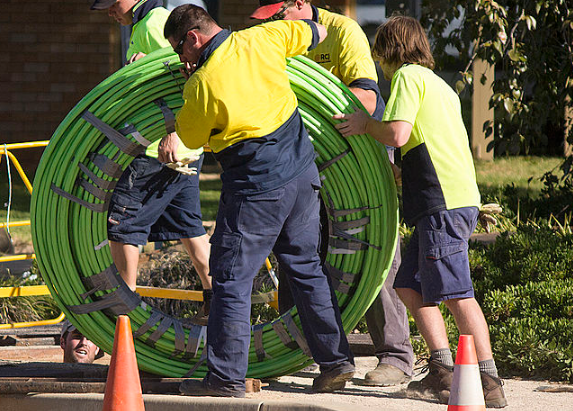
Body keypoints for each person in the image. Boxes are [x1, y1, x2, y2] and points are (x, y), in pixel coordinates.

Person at [164, 4, 355, 397]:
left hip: (256, 187)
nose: (180, 59)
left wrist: (182, 107)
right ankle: (335, 362)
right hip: (302, 175)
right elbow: (316, 33)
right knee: (306, 267)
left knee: (232, 280)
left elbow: (191, 140)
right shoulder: (265, 36)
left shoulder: (202, 84)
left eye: (179, 49)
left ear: (194, 38)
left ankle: (225, 379)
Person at [334, 16, 507, 408]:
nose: (379, 65)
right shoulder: (440, 85)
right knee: (408, 285)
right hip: (447, 198)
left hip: (441, 203)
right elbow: (421, 143)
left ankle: (488, 378)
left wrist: (364, 124)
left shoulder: (408, 78)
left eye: (379, 56)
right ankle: (442, 371)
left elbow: (397, 133)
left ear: (388, 51)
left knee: (457, 293)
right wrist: (397, 173)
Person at [250, 0, 414, 387]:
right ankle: (300, 347)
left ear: (301, 4)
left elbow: (368, 100)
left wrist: (310, 108)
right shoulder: (272, 37)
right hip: (300, 156)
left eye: (279, 14)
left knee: (374, 250)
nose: (273, 23)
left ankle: (394, 355)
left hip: (353, 158)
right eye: (267, 17)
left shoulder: (343, 32)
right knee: (299, 243)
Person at [90, 0, 213, 317]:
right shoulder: (144, 24)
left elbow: (185, 75)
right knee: (190, 228)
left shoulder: (155, 22)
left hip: (159, 152)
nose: (109, 10)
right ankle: (218, 300)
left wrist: (172, 132)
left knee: (123, 225)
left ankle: (124, 311)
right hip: (182, 154)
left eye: (112, 2)